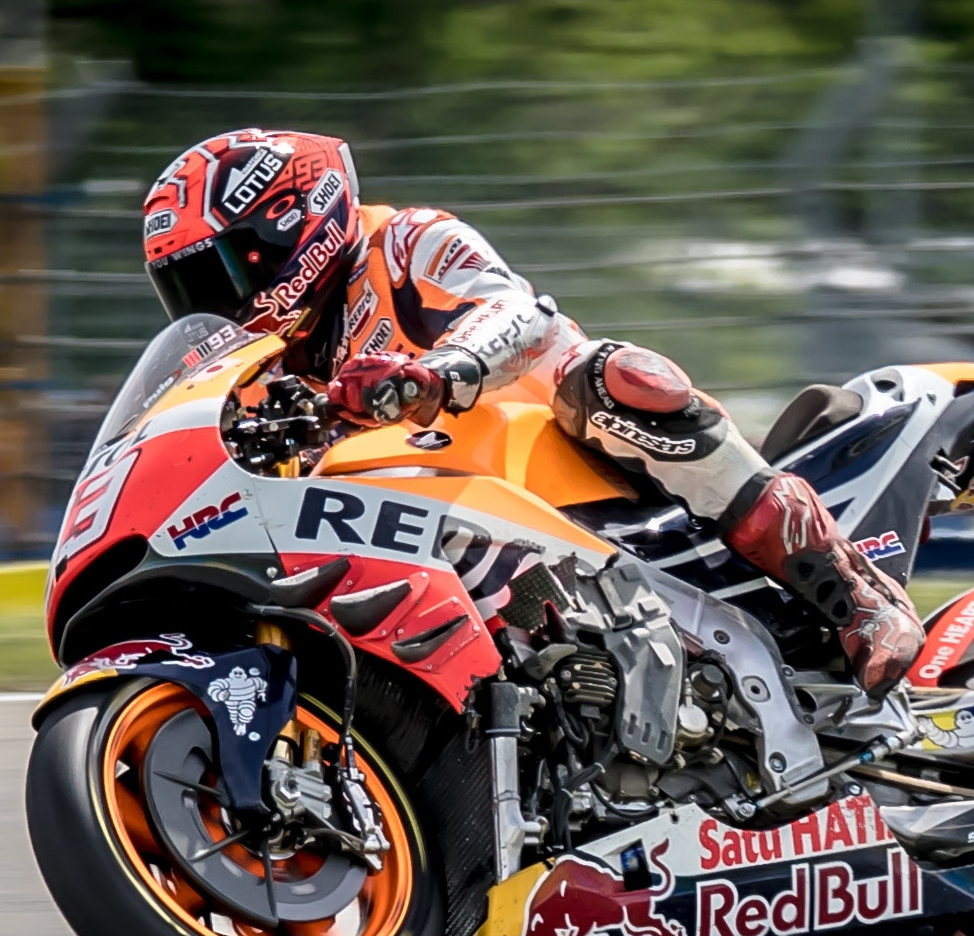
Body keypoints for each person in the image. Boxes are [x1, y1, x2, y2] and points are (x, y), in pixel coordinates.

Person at [139, 128, 923, 696]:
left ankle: (855, 596)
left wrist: (433, 374)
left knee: (620, 377)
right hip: (423, 523)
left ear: (289, 223)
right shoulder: (265, 370)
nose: (219, 306)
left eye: (222, 273)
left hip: (564, 462)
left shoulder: (407, 241)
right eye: (190, 293)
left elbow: (522, 317)